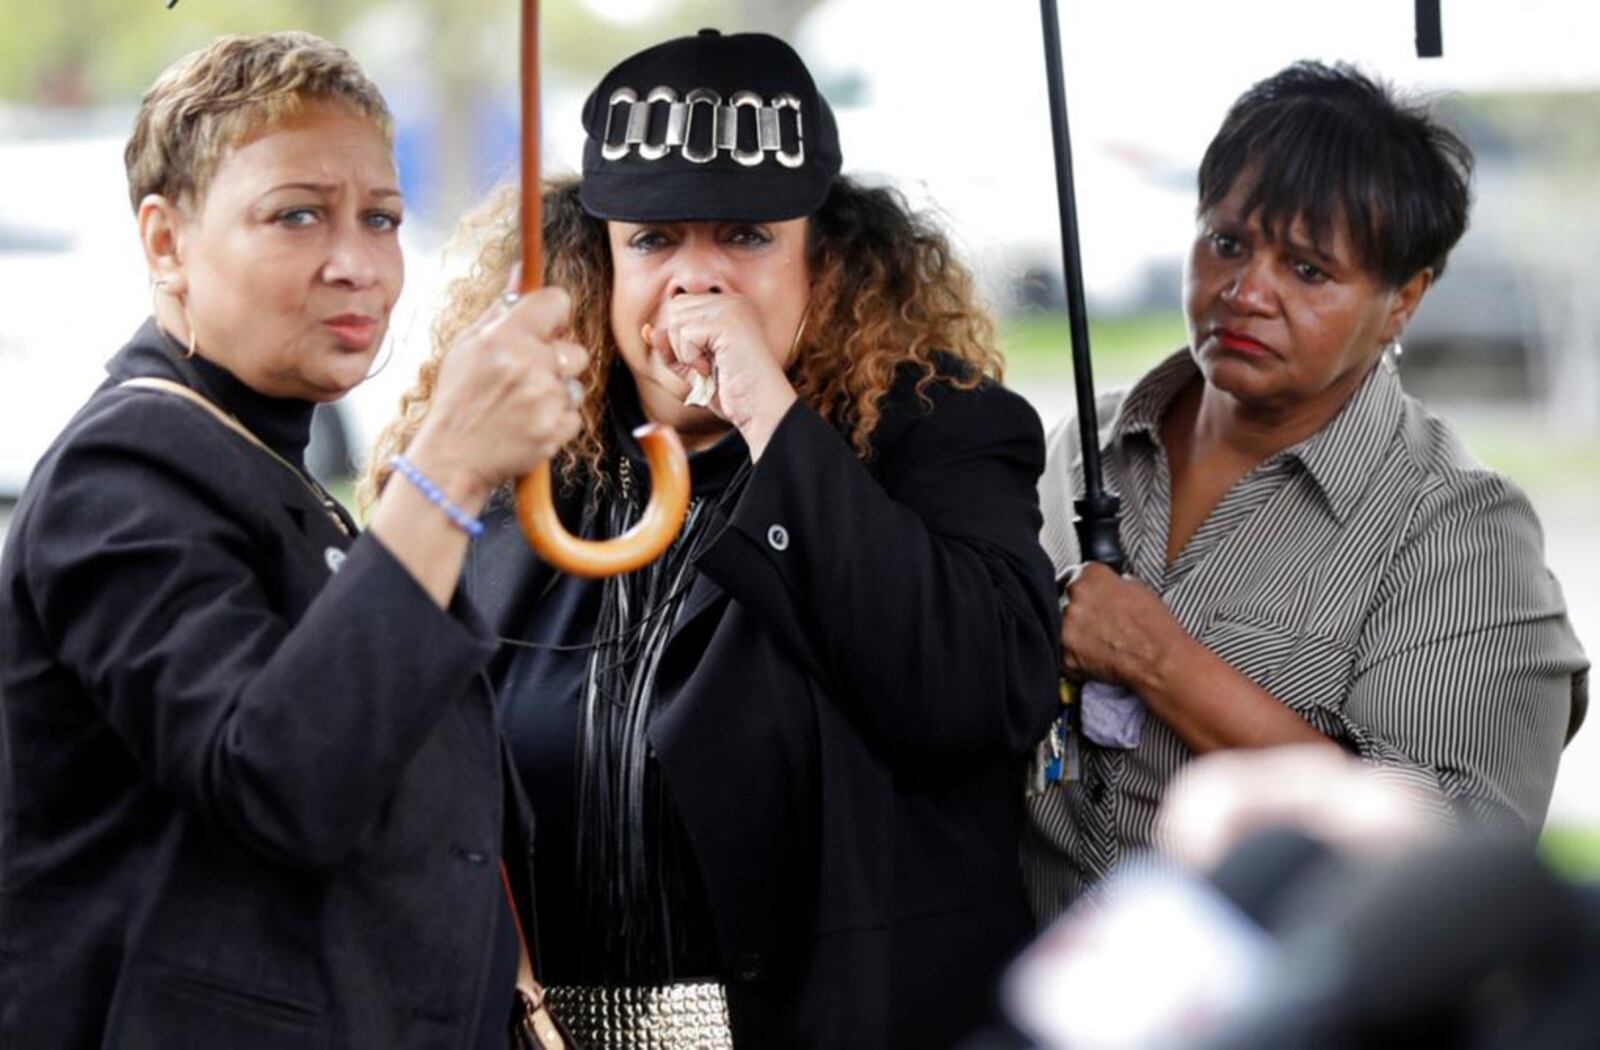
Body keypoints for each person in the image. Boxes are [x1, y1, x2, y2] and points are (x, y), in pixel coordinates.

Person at [366, 29, 1061, 1049]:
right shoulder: (529, 462)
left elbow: (975, 689)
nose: (696, 282)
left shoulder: (938, 433)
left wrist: (769, 417)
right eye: (652, 241)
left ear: (826, 258)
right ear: (593, 261)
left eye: (743, 237)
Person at [0, 32, 588, 1048]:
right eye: (296, 215)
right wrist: (445, 466)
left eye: (383, 218)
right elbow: (280, 778)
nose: (355, 263)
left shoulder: (271, 467)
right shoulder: (126, 471)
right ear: (165, 242)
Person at [1023, 61, 1590, 919]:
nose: (1246, 292)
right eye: (1226, 242)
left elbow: (1460, 857)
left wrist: (1159, 661)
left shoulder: (1460, 535)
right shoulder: (1084, 451)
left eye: (1309, 271)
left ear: (1403, 301)